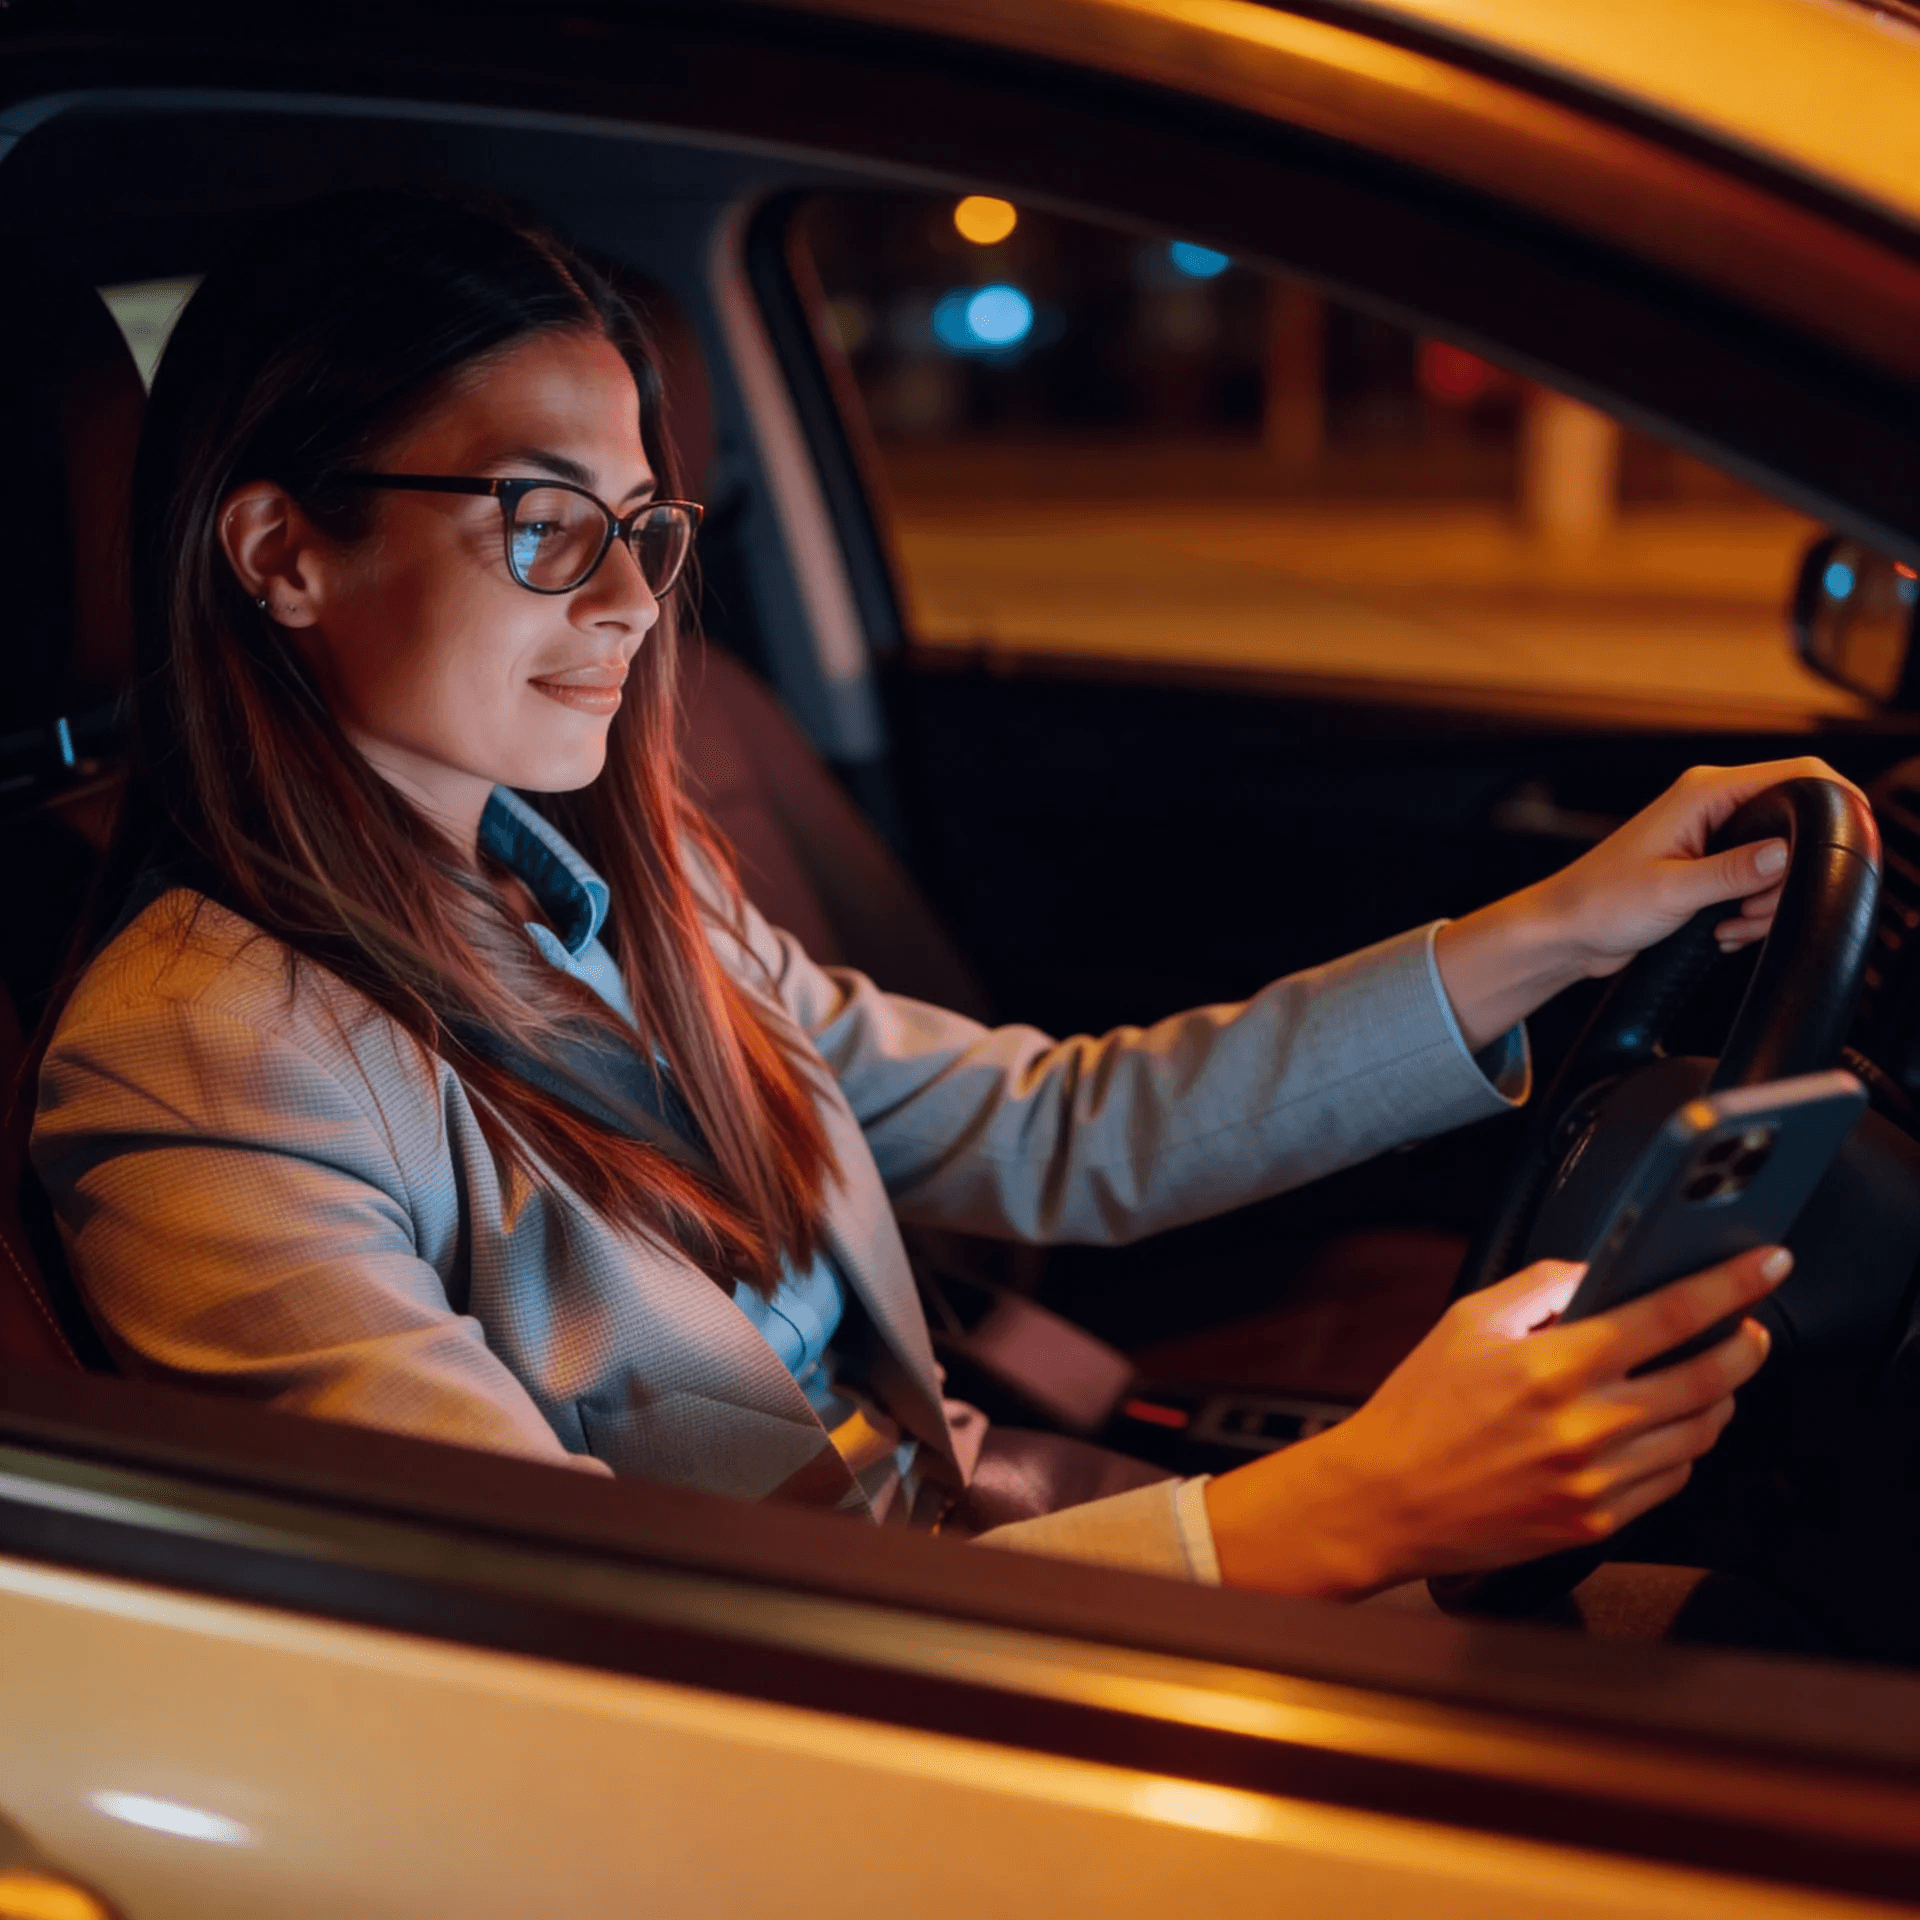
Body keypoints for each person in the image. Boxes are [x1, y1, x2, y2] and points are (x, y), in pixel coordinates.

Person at [27, 190, 1847, 1598]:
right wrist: (1338, 1512)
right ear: (280, 552)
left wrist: (1564, 930)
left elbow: (1055, 1129)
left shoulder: (605, 884)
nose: (635, 604)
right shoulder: (204, 1060)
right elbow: (551, 1631)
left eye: (646, 529)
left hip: (997, 1559)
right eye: (545, 524)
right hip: (862, 1709)